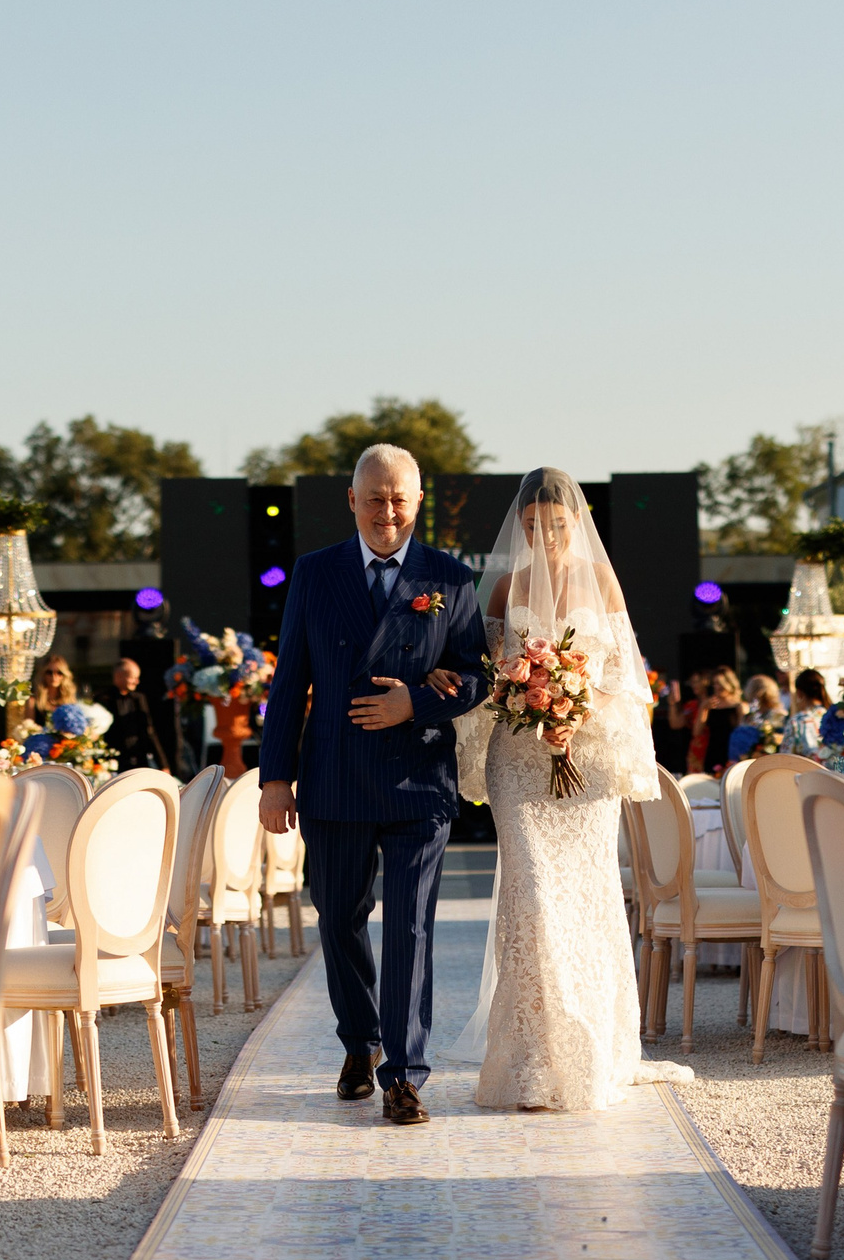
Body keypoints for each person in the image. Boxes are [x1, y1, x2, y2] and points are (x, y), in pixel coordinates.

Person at [434, 468, 692, 1109]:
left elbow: (627, 678)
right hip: (520, 764)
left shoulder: (600, 581)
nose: (544, 536)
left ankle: (590, 1048)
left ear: (574, 523)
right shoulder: (504, 589)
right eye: (532, 527)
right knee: (532, 897)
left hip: (589, 765)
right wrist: (528, 702)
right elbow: (486, 683)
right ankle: (530, 1056)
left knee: (587, 896)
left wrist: (576, 709)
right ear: (520, 528)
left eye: (555, 525)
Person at [258, 444, 489, 1127]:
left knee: (411, 927)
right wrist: (275, 778)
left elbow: (477, 675)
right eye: (376, 496)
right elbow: (288, 680)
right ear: (352, 501)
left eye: (400, 498)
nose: (388, 509)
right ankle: (359, 1041)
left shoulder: (449, 575)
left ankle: (405, 1074)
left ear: (417, 503)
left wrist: (414, 702)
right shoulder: (314, 572)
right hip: (333, 775)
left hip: (419, 778)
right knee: (339, 919)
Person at [100, 658, 167, 770]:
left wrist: (163, 764)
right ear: (119, 676)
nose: (137, 681)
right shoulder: (104, 699)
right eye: (133, 677)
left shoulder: (139, 698)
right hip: (114, 761)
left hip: (139, 760)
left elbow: (149, 731)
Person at [691, 667, 742, 773]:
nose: (716, 687)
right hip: (713, 751)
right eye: (714, 684)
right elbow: (696, 732)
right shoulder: (710, 705)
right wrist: (703, 708)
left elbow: (741, 731)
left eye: (719, 683)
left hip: (731, 752)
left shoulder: (738, 706)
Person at [786, 668, 833, 757]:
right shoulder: (836, 716)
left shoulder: (797, 721)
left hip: (807, 770)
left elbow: (786, 757)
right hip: (834, 770)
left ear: (799, 693)